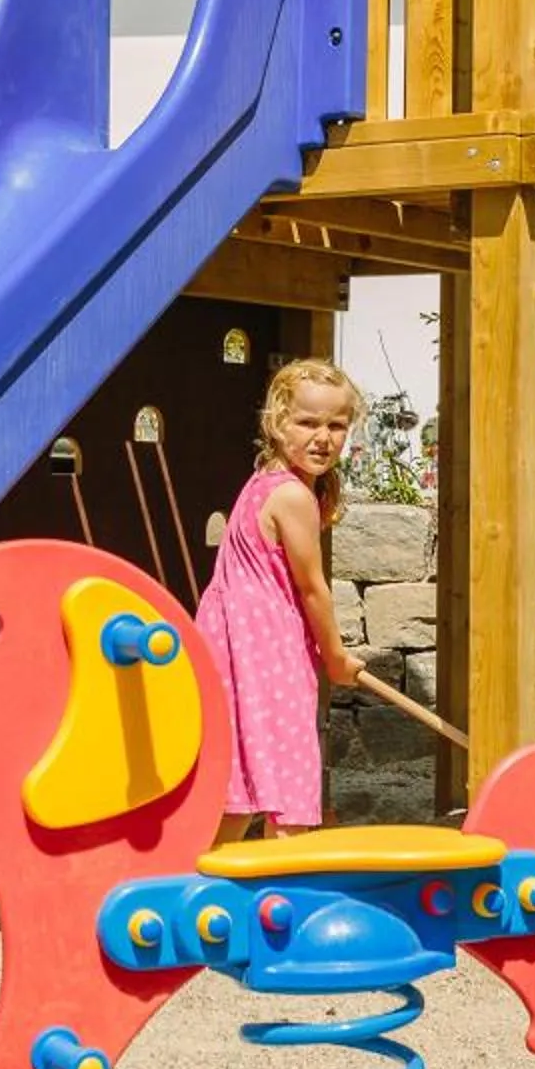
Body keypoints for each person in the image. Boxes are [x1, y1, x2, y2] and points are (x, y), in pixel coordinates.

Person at [195, 357, 365, 841]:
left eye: (336, 425)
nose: (323, 437)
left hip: (235, 645)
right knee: (288, 780)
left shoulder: (261, 483)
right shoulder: (292, 497)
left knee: (243, 780)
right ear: (276, 423)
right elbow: (313, 588)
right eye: (308, 422)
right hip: (267, 647)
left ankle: (203, 886)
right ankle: (284, 890)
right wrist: (334, 658)